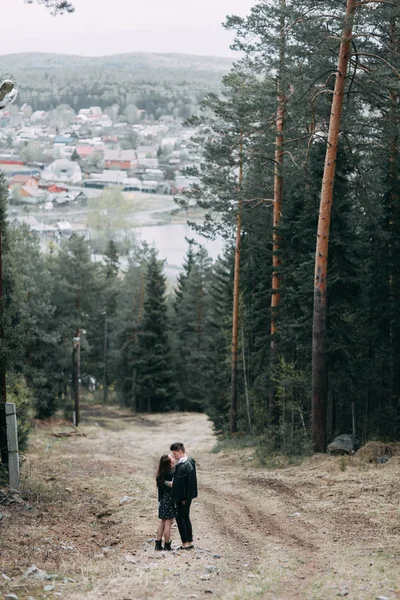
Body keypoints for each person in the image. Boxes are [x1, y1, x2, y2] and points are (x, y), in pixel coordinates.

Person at [170, 442, 198, 550]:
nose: (174, 456)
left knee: (181, 518)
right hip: (183, 497)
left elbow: (190, 484)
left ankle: (185, 543)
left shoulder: (187, 464)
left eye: (175, 454)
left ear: (180, 451)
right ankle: (189, 542)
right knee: (185, 517)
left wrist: (185, 498)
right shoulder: (188, 461)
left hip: (183, 498)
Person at [155, 453, 177, 551]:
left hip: (163, 500)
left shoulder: (161, 474)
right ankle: (167, 545)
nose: (173, 457)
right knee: (168, 524)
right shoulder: (171, 473)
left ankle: (158, 544)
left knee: (162, 522)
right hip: (169, 500)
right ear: (169, 462)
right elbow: (173, 485)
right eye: (171, 457)